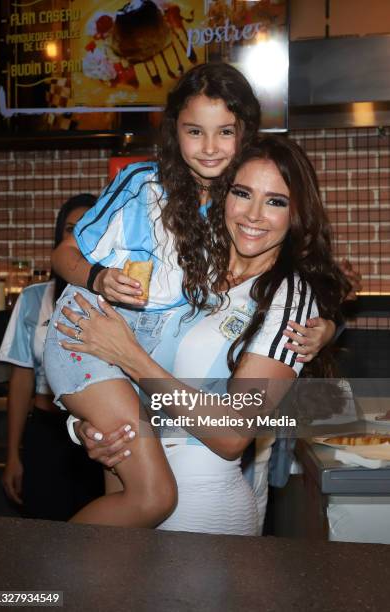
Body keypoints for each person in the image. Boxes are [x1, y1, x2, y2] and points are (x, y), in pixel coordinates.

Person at [44, 63, 333, 529]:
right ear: (173, 130)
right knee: (111, 569)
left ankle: (26, 583)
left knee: (143, 507)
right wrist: (86, 431)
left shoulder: (280, 286)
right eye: (195, 131)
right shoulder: (163, 200)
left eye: (275, 201)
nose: (253, 213)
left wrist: (325, 327)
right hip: (99, 348)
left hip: (205, 508)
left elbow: (235, 429)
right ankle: (28, 591)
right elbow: (68, 256)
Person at [0, 194, 104, 521]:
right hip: (46, 434)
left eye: (87, 228)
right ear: (59, 236)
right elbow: (21, 381)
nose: (76, 236)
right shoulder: (33, 298)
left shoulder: (111, 297)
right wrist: (13, 456)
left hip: (95, 436)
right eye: (69, 228)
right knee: (43, 539)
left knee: (98, 542)